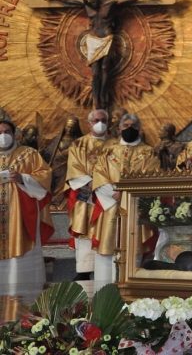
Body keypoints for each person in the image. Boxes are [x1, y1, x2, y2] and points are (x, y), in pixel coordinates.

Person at [41, 0, 152, 111]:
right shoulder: (87, 6)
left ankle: (103, 95)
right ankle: (96, 99)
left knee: (105, 69)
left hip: (107, 40)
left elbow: (126, 0)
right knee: (95, 73)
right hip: (92, 40)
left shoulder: (110, 4)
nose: (89, 1)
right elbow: (71, 1)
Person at [91, 112, 160, 291]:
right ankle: (104, 293)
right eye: (126, 125)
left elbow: (152, 177)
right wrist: (113, 193)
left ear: (140, 129)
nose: (130, 129)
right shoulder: (108, 150)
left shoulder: (148, 152)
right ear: (119, 128)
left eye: (134, 126)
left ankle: (131, 292)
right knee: (107, 251)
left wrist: (128, 193)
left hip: (135, 208)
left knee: (133, 250)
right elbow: (99, 173)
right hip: (111, 207)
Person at [0, 119, 53, 301]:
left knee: (20, 266)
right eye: (0, 132)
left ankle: (26, 301)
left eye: (7, 132)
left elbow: (45, 176)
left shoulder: (29, 154)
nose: (3, 136)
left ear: (15, 134)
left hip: (21, 219)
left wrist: (22, 178)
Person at [64, 109, 114, 285]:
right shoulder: (79, 144)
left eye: (103, 120)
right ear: (89, 123)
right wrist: (92, 184)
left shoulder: (116, 144)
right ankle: (84, 270)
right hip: (87, 195)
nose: (100, 123)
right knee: (85, 230)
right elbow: (74, 168)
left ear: (109, 122)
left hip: (109, 196)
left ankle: (108, 269)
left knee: (107, 231)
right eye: (96, 120)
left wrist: (104, 186)